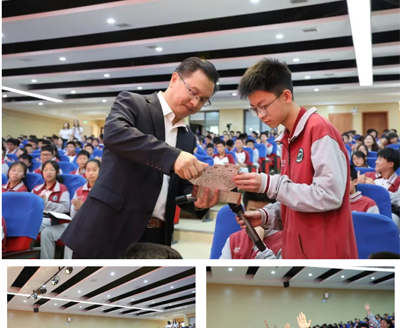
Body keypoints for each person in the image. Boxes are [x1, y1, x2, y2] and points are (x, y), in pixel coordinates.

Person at [61, 57, 220, 258]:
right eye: (193, 92)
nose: (195, 102)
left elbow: (177, 189)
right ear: (174, 79)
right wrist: (173, 156)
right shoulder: (133, 103)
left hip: (155, 235)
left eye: (203, 99)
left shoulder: (187, 137)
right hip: (109, 229)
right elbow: (115, 134)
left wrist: (197, 201)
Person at [233, 58, 357, 259]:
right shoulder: (288, 139)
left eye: (263, 106)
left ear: (286, 96)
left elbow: (329, 195)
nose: (260, 115)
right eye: (254, 109)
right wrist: (267, 215)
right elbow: (296, 199)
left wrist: (270, 184)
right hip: (295, 250)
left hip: (323, 252)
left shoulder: (319, 130)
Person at [220, 192, 283, 259]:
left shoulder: (285, 241)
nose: (257, 216)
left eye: (262, 212)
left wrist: (259, 243)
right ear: (245, 209)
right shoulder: (234, 239)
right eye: (253, 211)